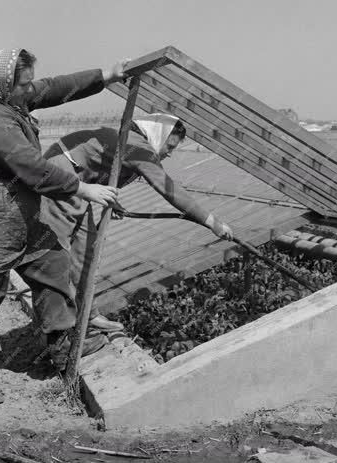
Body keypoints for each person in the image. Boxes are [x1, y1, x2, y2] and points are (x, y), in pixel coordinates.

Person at [0, 48, 127, 405]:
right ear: (4, 84)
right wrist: (83, 188)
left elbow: (53, 87)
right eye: (24, 84)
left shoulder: (9, 96)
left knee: (51, 265)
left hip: (18, 204)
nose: (30, 90)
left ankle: (62, 346)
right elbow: (30, 165)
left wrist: (107, 74)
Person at [40, 113, 234, 332]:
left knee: (85, 250)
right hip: (62, 179)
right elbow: (169, 189)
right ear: (158, 134)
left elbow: (101, 172)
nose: (168, 153)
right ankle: (61, 325)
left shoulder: (129, 142)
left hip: (76, 184)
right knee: (57, 254)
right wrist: (211, 221)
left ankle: (87, 315)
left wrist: (112, 201)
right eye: (169, 146)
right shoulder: (137, 146)